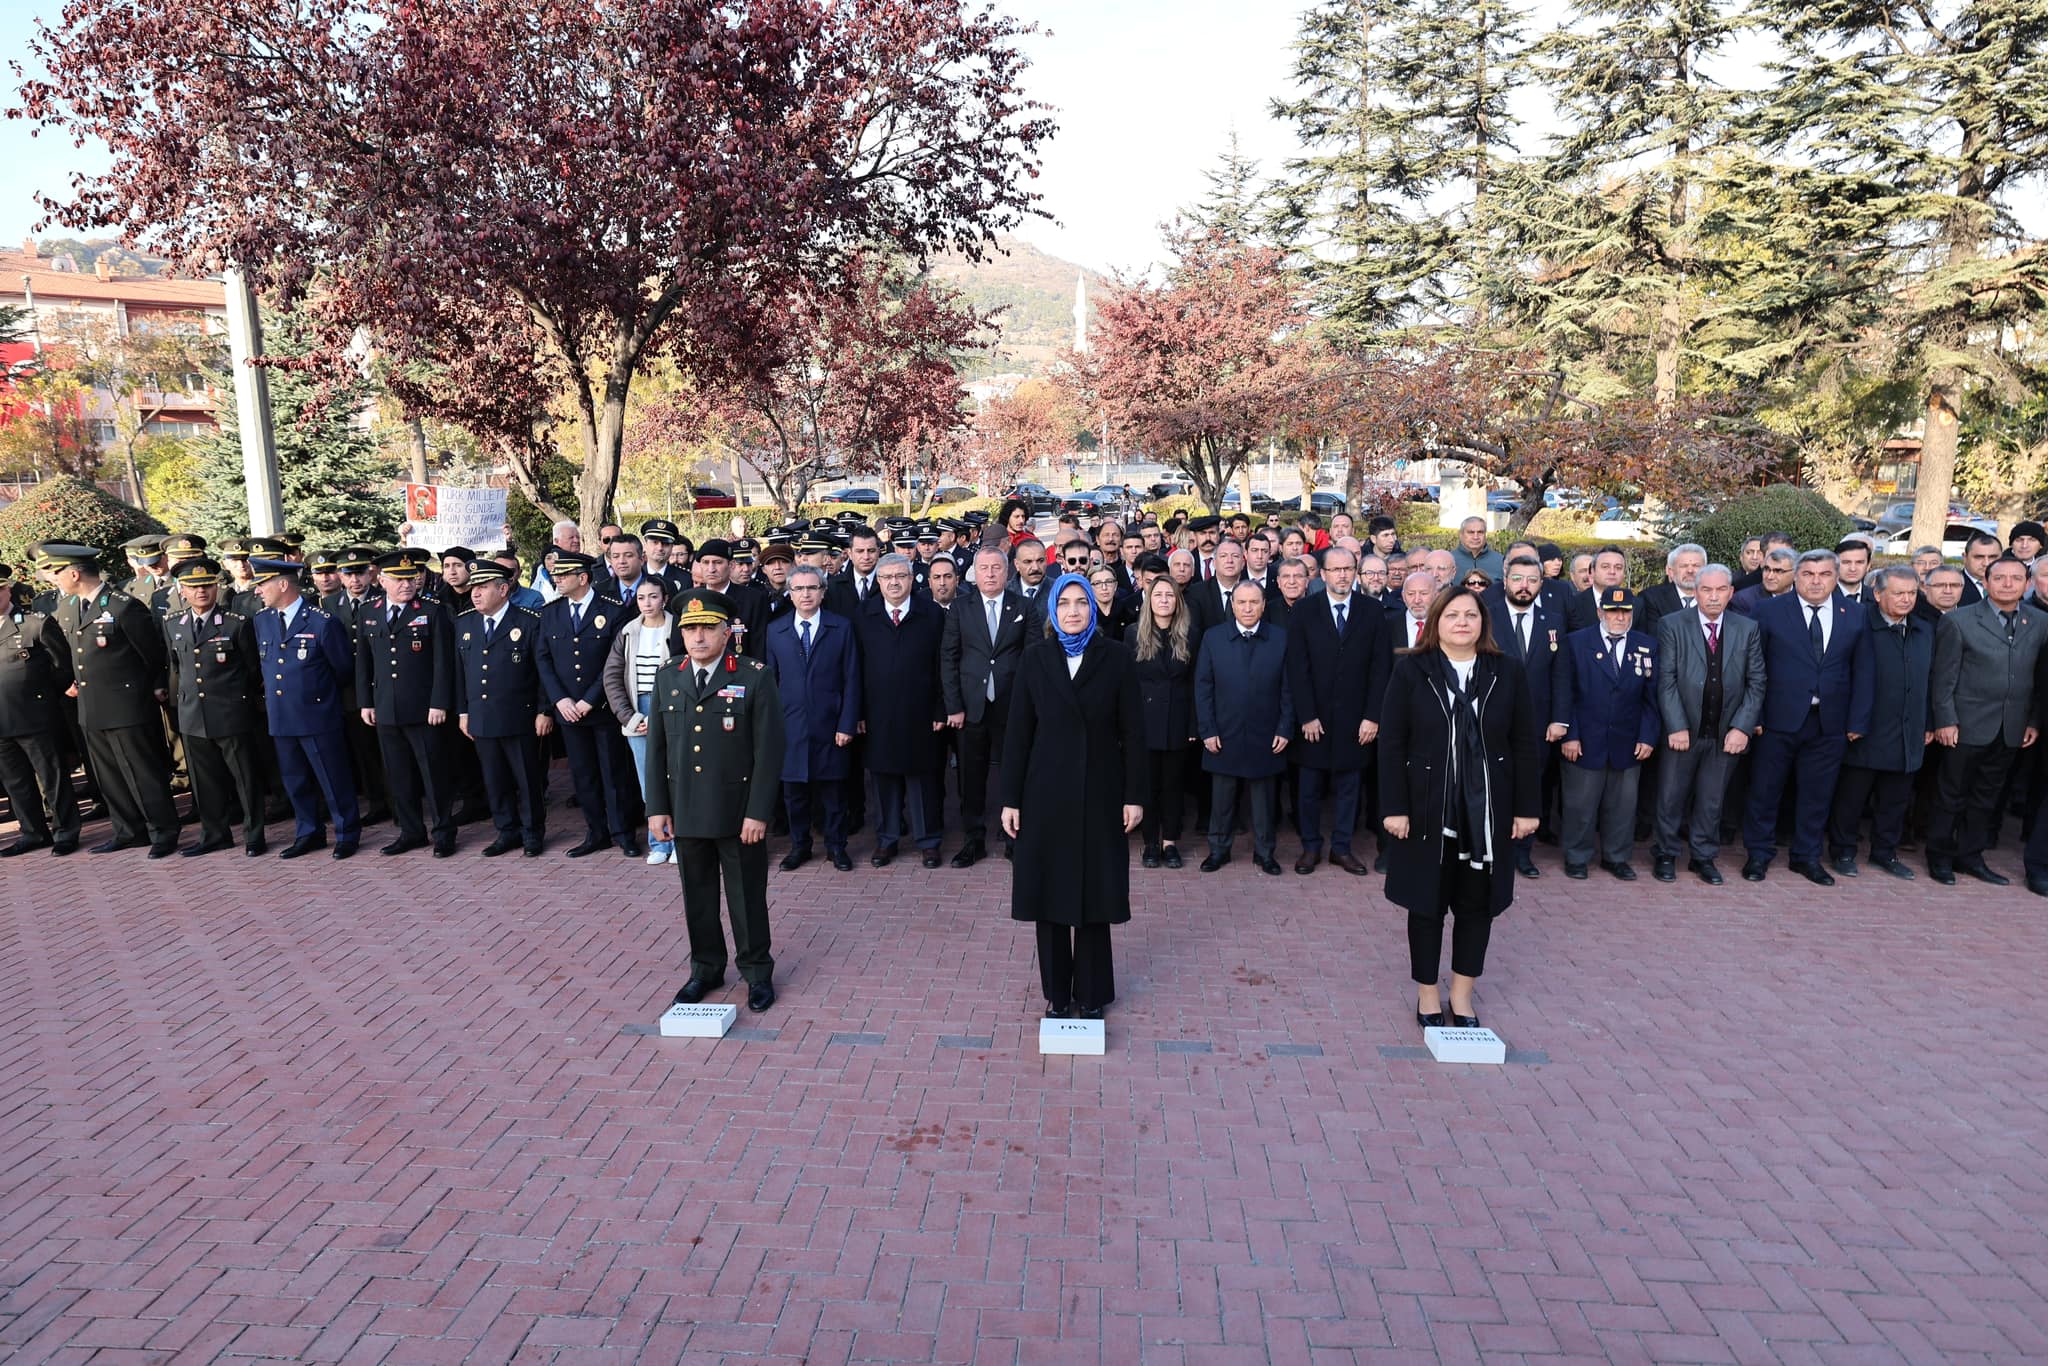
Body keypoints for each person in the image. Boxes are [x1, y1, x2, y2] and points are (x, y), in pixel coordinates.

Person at [1377, 584, 1542, 1029]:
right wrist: (1394, 807)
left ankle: (1462, 996)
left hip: (1486, 813)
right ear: (1436, 622)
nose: (1462, 623)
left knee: (1477, 907)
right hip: (1428, 808)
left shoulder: (1506, 672)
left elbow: (1525, 743)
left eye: (1470, 615)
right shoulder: (1412, 670)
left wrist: (1526, 809)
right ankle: (1428, 995)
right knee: (1426, 905)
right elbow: (1392, 743)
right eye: (1452, 616)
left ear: (1482, 623)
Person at [1000, 574, 1145, 1019]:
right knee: (1050, 895)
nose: (1074, 611)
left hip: (1101, 791)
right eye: (1064, 603)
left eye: (1082, 602)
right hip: (1045, 793)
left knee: (1095, 894)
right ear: (1053, 611)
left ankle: (1093, 993)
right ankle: (1057, 995)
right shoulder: (1035, 659)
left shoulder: (1117, 658)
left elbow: (1134, 734)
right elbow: (1018, 733)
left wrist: (1134, 795)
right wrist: (1011, 798)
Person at [645, 589, 784, 1014]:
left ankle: (757, 972)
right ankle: (705, 968)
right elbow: (657, 748)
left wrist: (758, 811)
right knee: (698, 897)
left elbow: (770, 749)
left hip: (738, 812)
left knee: (746, 897)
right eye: (690, 629)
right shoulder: (669, 675)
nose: (698, 636)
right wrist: (656, 808)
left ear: (727, 632)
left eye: (707, 628)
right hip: (686, 809)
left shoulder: (753, 675)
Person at [40, 544, 179, 856]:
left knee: (143, 773)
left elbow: (151, 656)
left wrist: (139, 692)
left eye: (58, 572)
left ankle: (163, 832)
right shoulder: (74, 606)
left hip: (127, 706)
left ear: (74, 573)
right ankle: (129, 830)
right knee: (109, 776)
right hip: (92, 707)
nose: (55, 579)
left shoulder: (123, 606)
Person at [1742, 550, 1872, 884]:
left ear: (1835, 577)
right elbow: (1754, 667)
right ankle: (1758, 854)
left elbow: (1863, 671)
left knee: (1818, 794)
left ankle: (1806, 856)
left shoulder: (1855, 614)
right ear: (1796, 577)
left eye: (1824, 574)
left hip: (1830, 722)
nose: (1816, 581)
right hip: (1775, 719)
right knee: (1765, 791)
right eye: (1809, 574)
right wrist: (1752, 716)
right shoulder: (1768, 611)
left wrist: (1857, 721)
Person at [1925, 555, 2044, 885]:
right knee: (1951, 794)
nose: (2008, 584)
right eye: (2000, 578)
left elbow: (2039, 678)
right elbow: (1943, 678)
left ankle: (1970, 856)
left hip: (2011, 727)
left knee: (1986, 798)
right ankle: (1939, 856)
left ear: (2027, 584)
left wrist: (2032, 720)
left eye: (2016, 578)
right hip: (1965, 725)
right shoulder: (1959, 621)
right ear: (1986, 582)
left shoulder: (2038, 622)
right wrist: (1945, 720)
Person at [1650, 565, 1765, 884]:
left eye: (1720, 590)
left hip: (1725, 731)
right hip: (1683, 729)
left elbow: (1757, 682)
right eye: (1706, 590)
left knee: (1712, 799)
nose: (1713, 597)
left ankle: (1703, 856)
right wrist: (1675, 725)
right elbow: (1667, 680)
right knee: (1671, 796)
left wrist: (1742, 727)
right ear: (1696, 592)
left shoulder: (1747, 628)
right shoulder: (1672, 624)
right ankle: (1666, 853)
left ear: (1731, 592)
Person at [1285, 546, 1388, 875]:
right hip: (1314, 719)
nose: (1342, 575)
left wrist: (1373, 716)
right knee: (1309, 789)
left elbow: (1380, 668)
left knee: (1349, 789)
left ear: (1355, 572)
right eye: (1335, 569)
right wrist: (1306, 715)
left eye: (1348, 569)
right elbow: (1296, 668)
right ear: (1323, 574)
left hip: (1357, 720)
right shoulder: (1304, 611)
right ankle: (1311, 847)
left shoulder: (1372, 611)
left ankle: (1341, 848)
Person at [250, 557, 361, 859]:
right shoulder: (263, 620)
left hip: (317, 715)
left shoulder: (321, 621)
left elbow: (342, 669)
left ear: (283, 584)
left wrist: (318, 697)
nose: (258, 591)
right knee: (295, 781)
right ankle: (308, 832)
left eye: (262, 584)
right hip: (282, 716)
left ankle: (347, 833)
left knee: (333, 779)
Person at [1828, 565, 1932, 880]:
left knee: (1895, 800)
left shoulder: (1924, 629)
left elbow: (1933, 679)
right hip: (1866, 728)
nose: (1905, 600)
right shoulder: (1858, 624)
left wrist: (1928, 721)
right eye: (1897, 593)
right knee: (1852, 798)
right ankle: (1842, 851)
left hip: (1907, 729)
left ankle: (1884, 852)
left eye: (1911, 593)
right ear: (1877, 593)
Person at [355, 550, 460, 858]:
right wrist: (366, 702)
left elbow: (444, 662)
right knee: (398, 774)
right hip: (386, 708)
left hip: (425, 708)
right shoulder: (369, 611)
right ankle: (411, 831)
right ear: (382, 580)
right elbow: (364, 661)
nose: (406, 585)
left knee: (434, 773)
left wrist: (440, 702)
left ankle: (444, 832)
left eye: (411, 579)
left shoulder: (432, 610)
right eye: (398, 580)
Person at [537, 549, 638, 858]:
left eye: (563, 575)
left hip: (602, 709)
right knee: (583, 775)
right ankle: (596, 833)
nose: (557, 579)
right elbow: (543, 659)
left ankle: (623, 833)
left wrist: (589, 700)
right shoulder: (551, 612)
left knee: (613, 773)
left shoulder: (613, 610)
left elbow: (614, 661)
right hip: (568, 710)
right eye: (556, 574)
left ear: (582, 578)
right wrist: (560, 700)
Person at [940, 546, 1037, 866]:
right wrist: (953, 706)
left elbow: (1034, 656)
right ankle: (974, 839)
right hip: (971, 707)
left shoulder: (1023, 606)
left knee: (1015, 770)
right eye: (984, 568)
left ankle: (1014, 838)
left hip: (1013, 706)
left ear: (1008, 571)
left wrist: (1031, 705)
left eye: (997, 568)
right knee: (971, 775)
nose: (991, 574)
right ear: (974, 573)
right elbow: (949, 658)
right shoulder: (960, 608)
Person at [1554, 587, 1660, 879]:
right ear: (1600, 612)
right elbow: (1565, 692)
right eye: (1612, 611)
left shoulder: (1647, 645)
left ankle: (1616, 857)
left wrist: (1648, 736)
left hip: (1628, 740)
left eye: (1625, 611)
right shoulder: (1576, 643)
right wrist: (1570, 734)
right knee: (1580, 804)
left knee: (1623, 806)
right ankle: (1577, 856)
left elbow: (1652, 698)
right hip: (1584, 739)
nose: (1619, 617)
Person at [163, 556, 264, 857]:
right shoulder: (173, 625)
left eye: (207, 585)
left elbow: (252, 670)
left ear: (217, 587)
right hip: (192, 715)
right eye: (193, 587)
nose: (201, 592)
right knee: (204, 783)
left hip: (231, 713)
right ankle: (215, 834)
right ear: (182, 590)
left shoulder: (236, 624)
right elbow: (176, 668)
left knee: (245, 779)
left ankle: (254, 834)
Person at [854, 553, 949, 868]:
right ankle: (887, 839)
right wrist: (858, 713)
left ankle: (929, 841)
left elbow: (942, 665)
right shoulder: (863, 615)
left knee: (923, 780)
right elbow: (855, 669)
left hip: (922, 712)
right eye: (887, 577)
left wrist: (940, 708)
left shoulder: (932, 614)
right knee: (884, 780)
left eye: (900, 576)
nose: (894, 582)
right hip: (878, 713)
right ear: (878, 581)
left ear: (912, 579)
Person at [765, 564, 861, 871]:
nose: (805, 594)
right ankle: (800, 846)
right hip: (790, 728)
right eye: (799, 589)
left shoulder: (840, 627)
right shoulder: (775, 630)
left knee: (834, 795)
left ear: (822, 592)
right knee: (795, 795)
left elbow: (852, 678)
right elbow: (770, 683)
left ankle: (836, 846)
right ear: (789, 593)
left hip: (831, 725)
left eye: (812, 588)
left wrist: (847, 723)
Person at [1195, 581, 1294, 874]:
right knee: (1222, 798)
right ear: (1233, 605)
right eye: (1241, 602)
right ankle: (1218, 850)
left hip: (1267, 732)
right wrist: (1207, 730)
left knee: (1264, 800)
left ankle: (1265, 853)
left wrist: (1285, 727)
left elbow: (1289, 689)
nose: (1248, 608)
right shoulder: (1213, 638)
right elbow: (1203, 687)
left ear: (1264, 605)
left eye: (1254, 602)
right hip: (1224, 731)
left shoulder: (1280, 638)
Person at [454, 560, 552, 856]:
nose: (476, 593)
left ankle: (533, 832)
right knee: (494, 779)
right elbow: (459, 673)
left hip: (519, 715)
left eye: (483, 587)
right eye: (474, 587)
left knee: (527, 778)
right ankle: (506, 830)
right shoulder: (465, 622)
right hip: (482, 716)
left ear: (504, 589)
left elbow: (543, 671)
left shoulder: (529, 621)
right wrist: (463, 712)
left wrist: (544, 710)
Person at [1483, 555, 1566, 877]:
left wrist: (1560, 719)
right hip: (1493, 721)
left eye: (1532, 580)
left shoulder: (1553, 621)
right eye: (1518, 579)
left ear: (1541, 585)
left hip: (1537, 724)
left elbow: (1561, 675)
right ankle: (1491, 848)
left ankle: (1522, 853)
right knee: (1493, 785)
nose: (1524, 586)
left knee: (1529, 786)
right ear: (1505, 580)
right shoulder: (1486, 617)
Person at [0, 566, 81, 856]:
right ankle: (33, 832)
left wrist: (46, 698)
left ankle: (66, 832)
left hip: (35, 716)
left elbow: (62, 666)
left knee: (53, 778)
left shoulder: (34, 623)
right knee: (16, 783)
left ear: (8, 589)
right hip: (2, 721)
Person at [604, 578, 676, 865]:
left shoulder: (678, 629)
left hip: (670, 711)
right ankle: (658, 843)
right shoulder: (628, 632)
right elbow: (612, 678)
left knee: (677, 778)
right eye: (642, 597)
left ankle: (681, 844)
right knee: (649, 782)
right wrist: (630, 716)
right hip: (638, 711)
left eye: (653, 597)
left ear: (665, 599)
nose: (647, 603)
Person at [1131, 576, 1199, 870]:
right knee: (1148, 786)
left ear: (1177, 601)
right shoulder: (1134, 633)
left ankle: (1170, 842)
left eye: (1169, 595)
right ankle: (1150, 843)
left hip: (1178, 720)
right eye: (1157, 594)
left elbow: (1197, 683)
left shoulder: (1191, 634)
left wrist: (1195, 725)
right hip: (1144, 722)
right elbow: (1128, 685)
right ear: (1149, 599)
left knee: (1173, 785)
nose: (1163, 600)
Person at [1639, 543, 1706, 629]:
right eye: (1683, 566)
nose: (1690, 570)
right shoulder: (1651, 598)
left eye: (1696, 565)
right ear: (1670, 571)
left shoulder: (1718, 599)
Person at [1730, 547, 1796, 617]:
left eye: (1778, 571)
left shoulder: (1804, 596)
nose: (1770, 577)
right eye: (1767, 569)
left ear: (1795, 574)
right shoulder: (1744, 600)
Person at [1451, 517, 1503, 582]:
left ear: (1485, 535)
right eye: (1471, 532)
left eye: (1480, 532)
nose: (1476, 537)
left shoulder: (1500, 561)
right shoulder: (1449, 560)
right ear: (1461, 534)